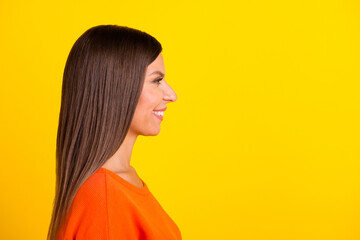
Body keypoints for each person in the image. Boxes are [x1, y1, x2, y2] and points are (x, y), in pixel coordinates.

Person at [47, 25, 181, 240]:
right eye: (157, 80)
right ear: (119, 88)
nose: (172, 95)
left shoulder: (121, 182)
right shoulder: (104, 195)